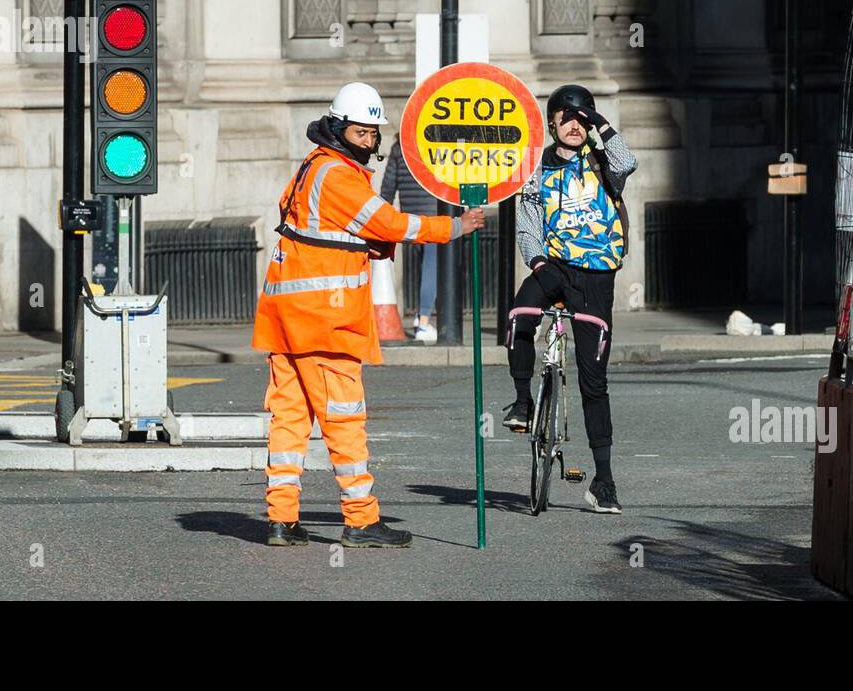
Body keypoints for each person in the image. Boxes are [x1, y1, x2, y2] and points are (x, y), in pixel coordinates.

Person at [251, 82, 485, 547]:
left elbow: (321, 228)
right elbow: (391, 223)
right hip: (323, 320)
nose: (371, 141)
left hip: (286, 316)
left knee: (290, 419)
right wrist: (455, 226)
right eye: (363, 133)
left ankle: (281, 518)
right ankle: (360, 520)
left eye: (374, 133)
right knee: (344, 418)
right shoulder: (337, 175)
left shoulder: (313, 167)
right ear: (339, 129)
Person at [501, 84, 637, 514]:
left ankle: (605, 483)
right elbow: (526, 227)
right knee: (521, 313)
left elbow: (628, 160)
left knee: (594, 383)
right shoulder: (535, 170)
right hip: (553, 266)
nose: (576, 125)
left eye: (583, 118)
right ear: (552, 123)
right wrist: (537, 263)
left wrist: (598, 121)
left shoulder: (601, 162)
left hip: (597, 277)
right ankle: (523, 402)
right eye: (567, 117)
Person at [379, 139, 440, 342]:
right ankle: (423, 323)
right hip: (434, 216)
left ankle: (420, 318)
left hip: (410, 218)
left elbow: (388, 185)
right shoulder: (436, 142)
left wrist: (382, 214)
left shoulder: (400, 146)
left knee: (424, 269)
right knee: (432, 270)